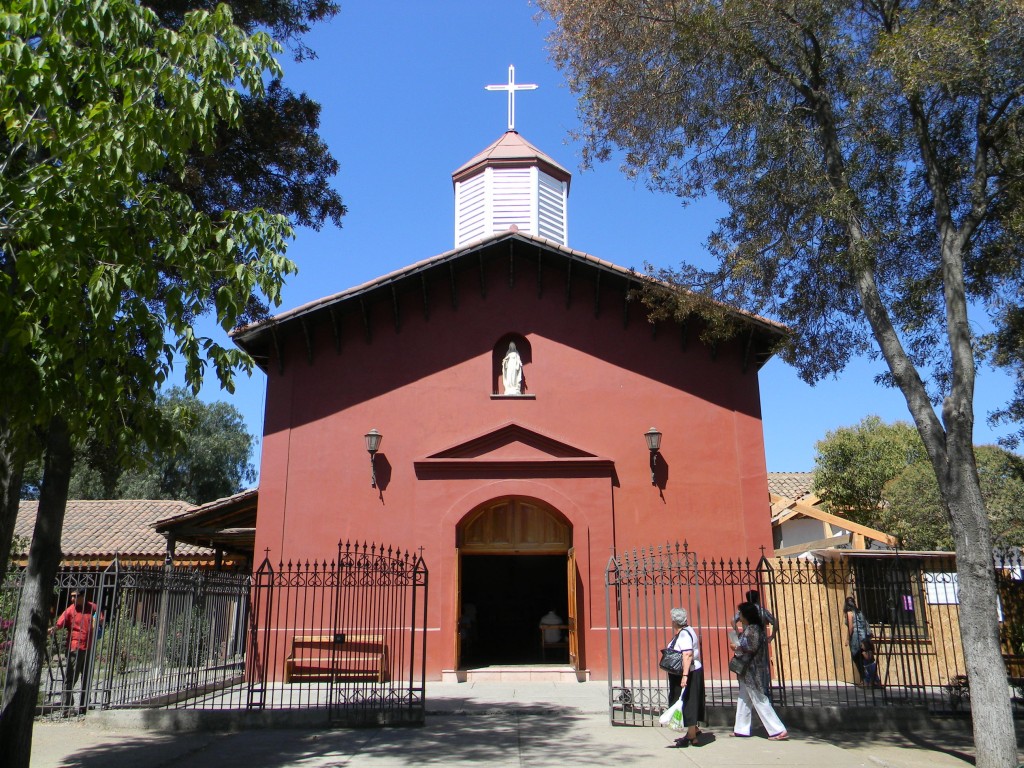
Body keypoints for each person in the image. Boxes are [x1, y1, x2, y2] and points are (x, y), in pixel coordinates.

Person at [730, 601, 787, 740]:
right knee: (744, 698)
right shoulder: (752, 628)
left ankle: (778, 729)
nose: (740, 616)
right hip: (747, 671)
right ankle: (741, 728)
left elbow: (751, 647)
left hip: (752, 670)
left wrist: (737, 647)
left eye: (741, 613)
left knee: (760, 699)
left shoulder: (753, 629)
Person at [51, 590, 103, 713]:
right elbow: (60, 623)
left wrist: (97, 624)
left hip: (89, 646)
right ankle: (66, 706)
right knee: (70, 677)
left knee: (87, 677)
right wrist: (53, 629)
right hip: (75, 647)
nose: (73, 599)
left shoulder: (93, 607)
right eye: (72, 597)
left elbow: (100, 619)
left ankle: (85, 704)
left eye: (76, 596)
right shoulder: (70, 610)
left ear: (83, 596)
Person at [665, 607, 705, 746]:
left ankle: (691, 736)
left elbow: (687, 654)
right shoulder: (689, 630)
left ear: (674, 622)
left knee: (687, 702)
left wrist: (685, 676)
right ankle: (694, 729)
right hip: (691, 671)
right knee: (688, 701)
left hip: (689, 672)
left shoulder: (684, 635)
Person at [732, 589, 778, 701]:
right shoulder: (762, 611)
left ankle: (748, 688)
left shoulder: (745, 611)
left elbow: (732, 620)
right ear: (758, 598)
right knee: (763, 666)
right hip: (761, 641)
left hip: (746, 641)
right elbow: (774, 622)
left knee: (746, 664)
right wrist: (772, 636)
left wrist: (738, 633)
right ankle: (764, 689)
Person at [844, 596, 870, 684]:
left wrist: (847, 639)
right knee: (866, 657)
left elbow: (851, 627)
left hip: (856, 637)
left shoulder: (849, 613)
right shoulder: (859, 612)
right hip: (864, 636)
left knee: (856, 658)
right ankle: (873, 679)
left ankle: (864, 679)